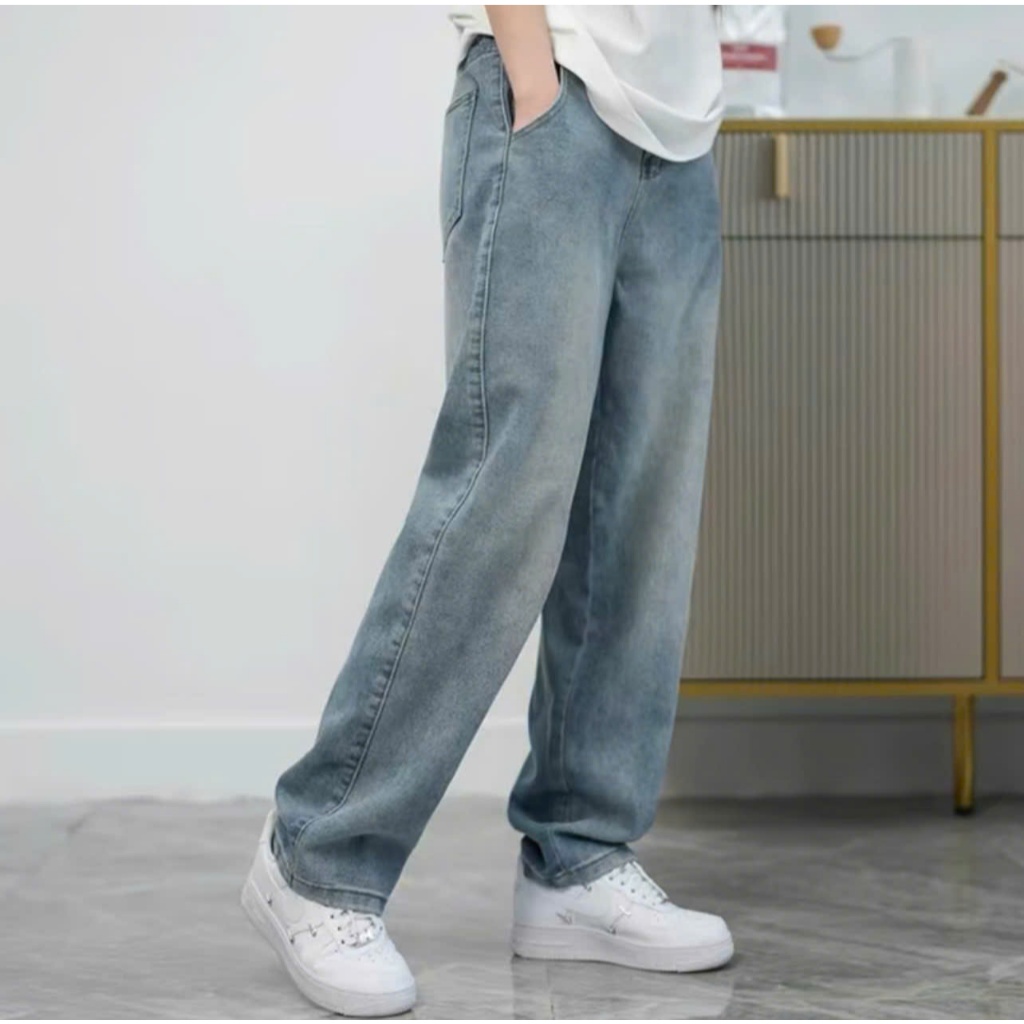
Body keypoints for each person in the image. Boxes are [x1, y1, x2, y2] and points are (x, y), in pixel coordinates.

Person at [240, 5, 732, 1017]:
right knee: (505, 497)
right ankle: (317, 856)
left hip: (681, 131)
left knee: (640, 520)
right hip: (555, 90)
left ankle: (578, 857)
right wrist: (531, 76)